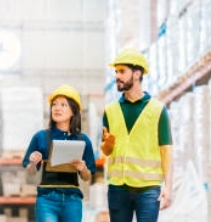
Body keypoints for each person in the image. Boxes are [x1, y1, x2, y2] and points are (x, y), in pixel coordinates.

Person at [101, 48, 173, 222]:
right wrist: (107, 146)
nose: (117, 76)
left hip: (148, 189)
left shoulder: (158, 110)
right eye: (116, 71)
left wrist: (168, 187)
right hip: (118, 188)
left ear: (137, 73)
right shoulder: (110, 111)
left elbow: (166, 151)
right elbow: (106, 150)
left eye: (122, 71)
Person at [22, 84, 96, 222]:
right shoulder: (40, 137)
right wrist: (33, 163)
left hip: (72, 200)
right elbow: (30, 172)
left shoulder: (83, 140)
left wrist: (83, 169)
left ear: (73, 111)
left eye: (63, 105)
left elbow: (87, 177)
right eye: (54, 104)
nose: (57, 108)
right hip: (47, 199)